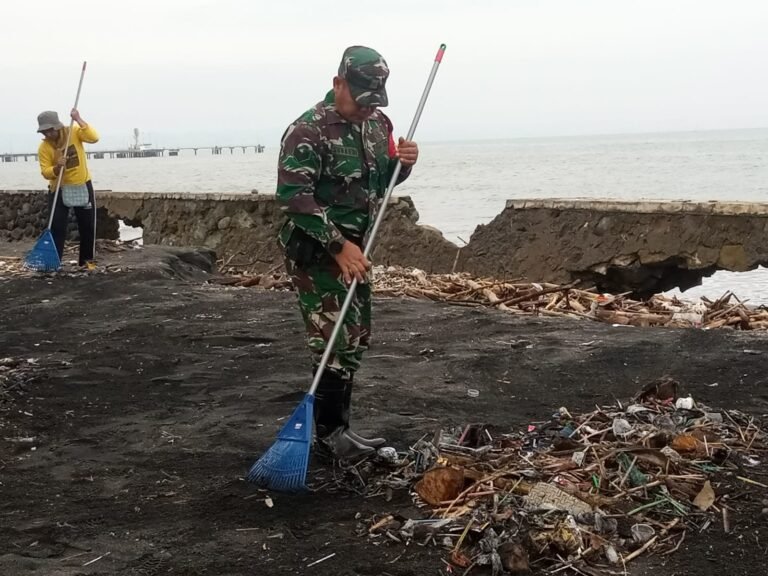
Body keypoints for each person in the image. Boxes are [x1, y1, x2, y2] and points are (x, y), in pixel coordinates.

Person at [276, 46, 419, 459]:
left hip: (359, 248)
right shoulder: (307, 131)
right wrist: (338, 246)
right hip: (318, 250)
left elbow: (382, 180)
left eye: (374, 101)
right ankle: (327, 433)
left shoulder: (378, 125)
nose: (366, 110)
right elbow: (293, 198)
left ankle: (339, 427)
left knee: (355, 336)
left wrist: (404, 163)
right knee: (332, 337)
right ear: (338, 83)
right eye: (360, 100)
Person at [37, 108, 99, 268]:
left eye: (50, 130)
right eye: (45, 131)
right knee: (56, 227)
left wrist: (78, 118)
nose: (48, 134)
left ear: (57, 126)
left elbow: (94, 138)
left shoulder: (74, 131)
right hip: (58, 188)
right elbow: (45, 172)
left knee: (87, 226)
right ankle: (53, 264)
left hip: (81, 185)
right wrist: (57, 168)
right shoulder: (44, 148)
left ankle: (87, 263)